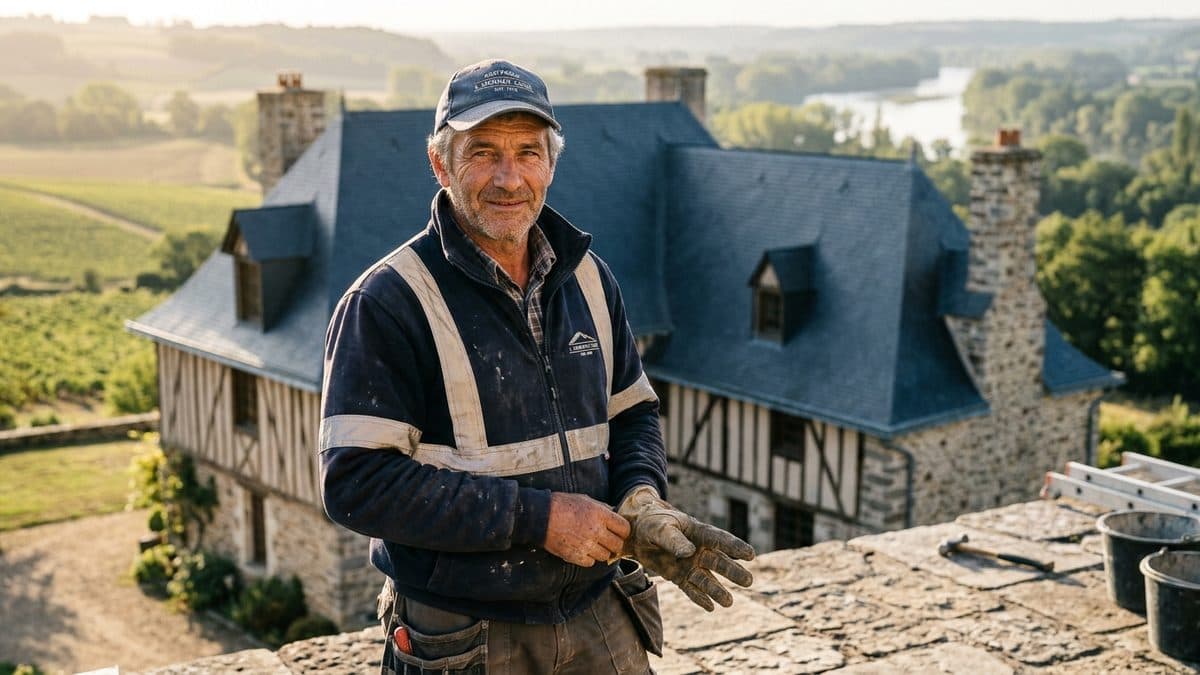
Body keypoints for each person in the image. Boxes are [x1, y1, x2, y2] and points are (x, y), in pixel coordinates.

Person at [319, 58, 754, 675]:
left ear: (551, 164)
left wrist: (641, 501)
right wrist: (540, 520)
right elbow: (355, 483)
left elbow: (633, 415)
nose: (509, 176)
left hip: (599, 609)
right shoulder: (388, 303)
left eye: (528, 151)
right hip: (465, 633)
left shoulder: (590, 279)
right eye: (483, 152)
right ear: (440, 164)